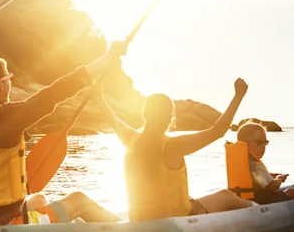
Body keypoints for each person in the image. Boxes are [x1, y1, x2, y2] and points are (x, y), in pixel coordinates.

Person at [0, 30, 124, 226]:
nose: (10, 85)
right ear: (0, 85)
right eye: (8, 80)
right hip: (9, 225)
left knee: (37, 199)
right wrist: (108, 57)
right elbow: (55, 93)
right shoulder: (6, 117)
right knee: (79, 200)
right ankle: (128, 231)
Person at [93, 78, 256, 221]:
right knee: (226, 196)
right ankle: (262, 210)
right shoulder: (173, 146)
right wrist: (238, 96)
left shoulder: (130, 138)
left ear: (144, 114)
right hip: (177, 220)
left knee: (192, 199)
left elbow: (111, 117)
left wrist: (98, 95)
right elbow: (217, 131)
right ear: (170, 117)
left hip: (138, 218)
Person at [227, 122, 294, 204]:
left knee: (290, 193)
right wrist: (279, 179)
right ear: (246, 145)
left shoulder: (247, 164)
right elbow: (272, 187)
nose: (263, 146)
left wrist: (271, 175)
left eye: (265, 142)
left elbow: (255, 180)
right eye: (259, 142)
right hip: (263, 204)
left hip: (248, 202)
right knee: (292, 191)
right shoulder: (255, 166)